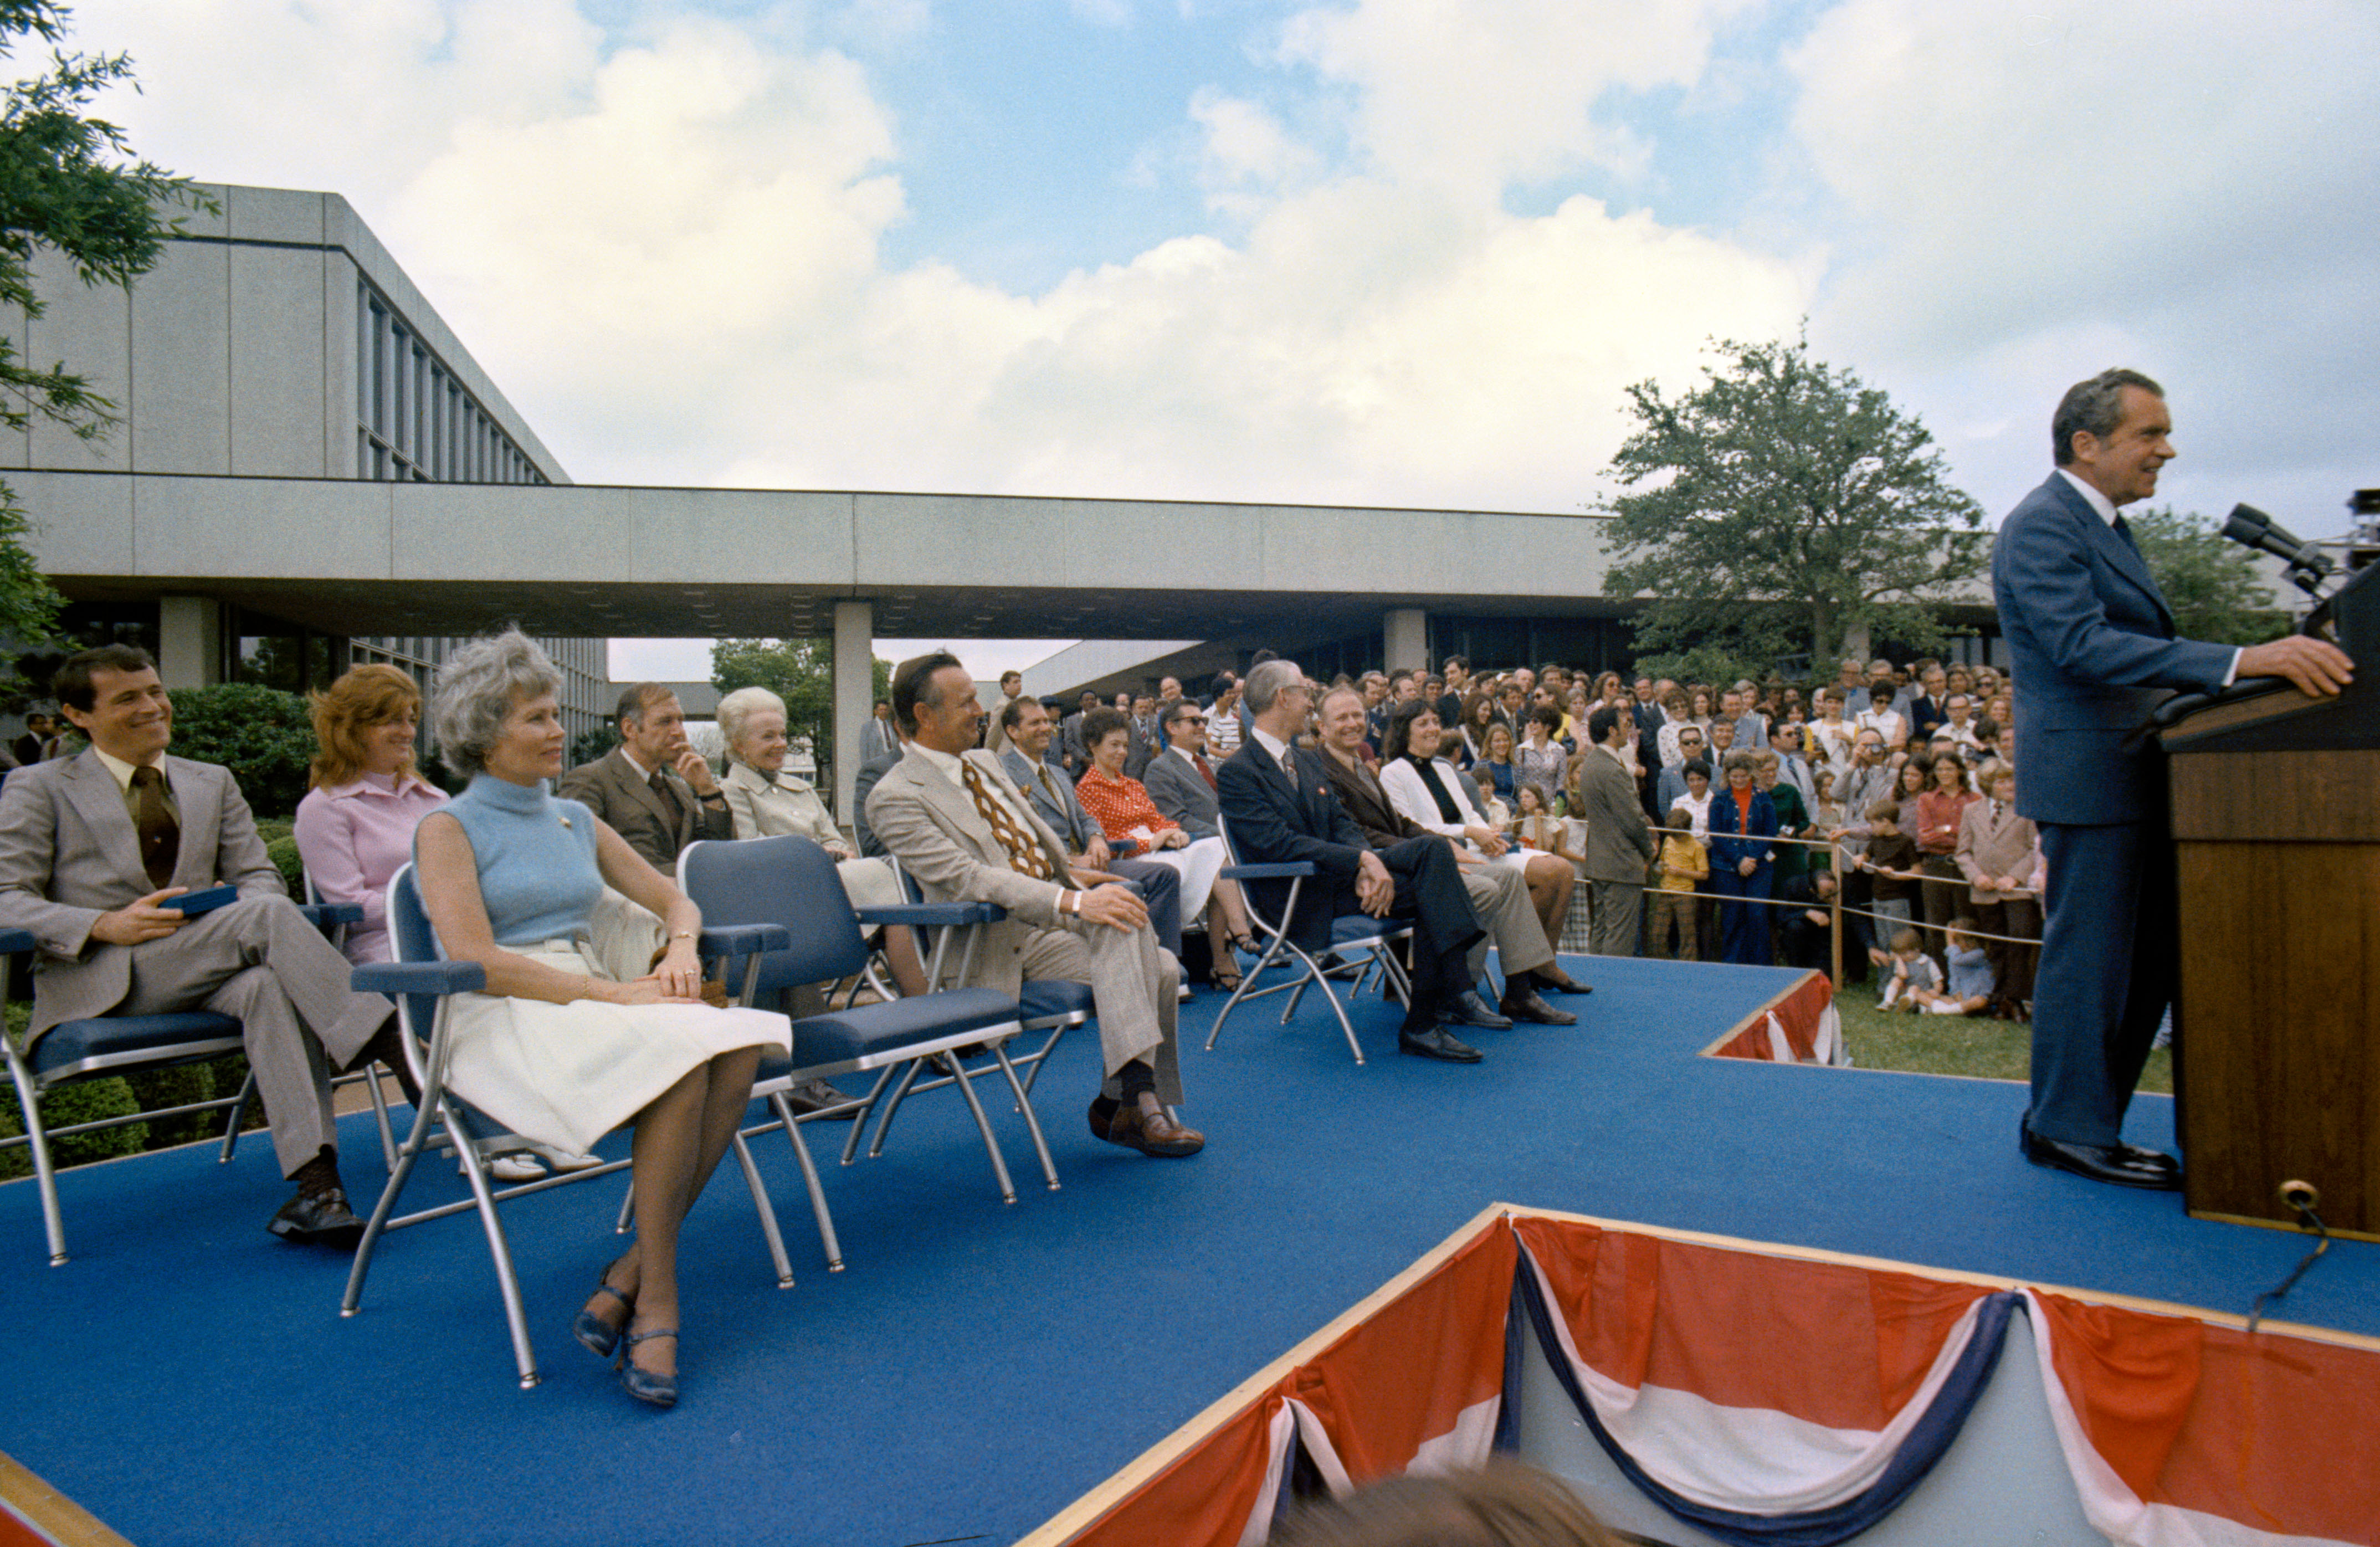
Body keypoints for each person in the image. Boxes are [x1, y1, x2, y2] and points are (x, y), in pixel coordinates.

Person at [1992, 367, 2350, 1188]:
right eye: (2150, 434)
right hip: (2092, 776)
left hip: (2137, 771)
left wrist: (2253, 674)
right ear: (2088, 444)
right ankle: (2064, 1127)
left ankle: (2093, 1123)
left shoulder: (2106, 527)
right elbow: (2082, 646)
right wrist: (2242, 662)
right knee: (2094, 960)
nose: (2168, 449)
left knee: (2139, 961)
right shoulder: (2044, 525)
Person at [414, 632, 789, 1407]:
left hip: (588, 997)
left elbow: (675, 897)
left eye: (555, 714)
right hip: (502, 1014)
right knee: (678, 1064)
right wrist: (620, 996)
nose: (558, 731)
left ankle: (630, 1273)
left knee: (739, 1043)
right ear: (486, 734)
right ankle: (658, 1297)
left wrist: (680, 948)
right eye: (538, 719)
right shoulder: (447, 828)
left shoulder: (572, 821)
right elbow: (476, 957)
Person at [0, 644, 398, 1247]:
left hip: (208, 963)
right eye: (127, 698)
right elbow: (7, 896)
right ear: (77, 715)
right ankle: (393, 1047)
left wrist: (224, 910)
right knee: (263, 916)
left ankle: (317, 1188)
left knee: (265, 980)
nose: (152, 706)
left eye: (155, 691)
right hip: (107, 975)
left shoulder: (211, 781)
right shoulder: (39, 786)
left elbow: (260, 876)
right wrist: (105, 924)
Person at [866, 653, 1202, 1158]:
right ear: (925, 715)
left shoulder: (982, 763)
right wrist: (1074, 901)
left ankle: (1128, 1103)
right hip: (993, 942)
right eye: (967, 702)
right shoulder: (892, 797)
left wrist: (1073, 878)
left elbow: (1034, 839)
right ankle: (1131, 1103)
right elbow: (969, 877)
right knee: (1141, 944)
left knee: (1156, 955)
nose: (981, 710)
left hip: (1050, 925)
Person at [1215, 660, 1500, 1063]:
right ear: (1284, 698)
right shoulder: (1237, 772)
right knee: (1429, 887)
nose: (1309, 701)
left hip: (1338, 881)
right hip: (1299, 895)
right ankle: (1446, 1000)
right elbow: (1279, 845)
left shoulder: (1306, 759)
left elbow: (1342, 822)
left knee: (1433, 851)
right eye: (1304, 692)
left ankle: (1435, 1010)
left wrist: (1366, 864)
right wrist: (1362, 860)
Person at [1312, 690, 1584, 1023]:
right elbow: (1357, 835)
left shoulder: (1366, 768)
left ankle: (1520, 992)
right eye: (1342, 718)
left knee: (1511, 879)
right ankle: (1458, 989)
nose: (1353, 723)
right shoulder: (1325, 772)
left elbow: (1405, 824)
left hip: (1424, 854)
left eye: (1357, 716)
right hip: (1380, 870)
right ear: (1321, 728)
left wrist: (1450, 844)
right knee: (1487, 887)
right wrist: (1438, 848)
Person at [715, 684, 930, 1047]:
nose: (781, 743)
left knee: (895, 902)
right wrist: (822, 855)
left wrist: (831, 852)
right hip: (788, 897)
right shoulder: (732, 792)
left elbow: (835, 841)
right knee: (890, 885)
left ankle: (926, 1024)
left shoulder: (802, 788)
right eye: (768, 737)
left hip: (836, 885)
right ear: (738, 745)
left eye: (783, 734)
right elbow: (750, 854)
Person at [1378, 701, 1578, 960]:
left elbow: (1471, 813)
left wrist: (1489, 837)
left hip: (1478, 848)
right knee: (1548, 873)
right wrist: (1471, 832)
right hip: (1445, 855)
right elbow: (1411, 828)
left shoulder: (1443, 768)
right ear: (1405, 731)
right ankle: (1529, 964)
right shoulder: (1392, 772)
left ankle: (1543, 963)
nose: (1433, 728)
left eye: (1436, 722)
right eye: (1423, 723)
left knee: (1563, 870)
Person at [1074, 706, 1254, 991]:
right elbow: (1102, 840)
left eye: (1125, 745)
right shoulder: (1086, 790)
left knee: (1215, 848)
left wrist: (1172, 831)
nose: (1122, 752)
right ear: (1093, 746)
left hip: (1159, 849)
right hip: (1132, 855)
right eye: (1114, 746)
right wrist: (1151, 841)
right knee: (1202, 863)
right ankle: (1226, 943)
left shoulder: (1133, 784)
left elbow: (1156, 818)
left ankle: (1236, 932)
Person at [993, 697, 1186, 960]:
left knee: (1165, 875)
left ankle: (1168, 965)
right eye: (1035, 723)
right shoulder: (1002, 773)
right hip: (1053, 868)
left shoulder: (1057, 772)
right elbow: (1019, 834)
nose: (1046, 728)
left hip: (1090, 860)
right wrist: (1070, 860)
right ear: (1013, 731)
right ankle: (1151, 962)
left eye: (1048, 723)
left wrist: (1096, 838)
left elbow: (1084, 819)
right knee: (1147, 879)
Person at [293, 664, 448, 968]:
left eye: (411, 720)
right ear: (352, 729)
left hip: (458, 934)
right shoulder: (325, 808)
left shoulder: (435, 799)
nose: (408, 732)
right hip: (387, 947)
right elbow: (351, 909)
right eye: (392, 721)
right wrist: (444, 903)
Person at [558, 684, 733, 875]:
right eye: (665, 722)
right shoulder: (590, 780)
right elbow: (578, 858)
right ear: (629, 729)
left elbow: (719, 852)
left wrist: (707, 790)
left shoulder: (678, 789)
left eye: (680, 721)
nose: (678, 731)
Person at [1956, 761, 2039, 1020]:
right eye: (2002, 781)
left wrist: (2015, 877)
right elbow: (1963, 852)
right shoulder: (1972, 810)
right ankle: (2000, 998)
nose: (2009, 785)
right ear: (1988, 785)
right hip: (1985, 890)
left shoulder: (2026, 809)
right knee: (1996, 944)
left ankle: (2016, 998)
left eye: (2012, 779)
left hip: (2016, 890)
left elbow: (2034, 849)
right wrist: (1976, 876)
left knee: (2019, 939)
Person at [1706, 751, 1778, 966]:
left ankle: (1761, 966)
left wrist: (1752, 858)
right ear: (1728, 776)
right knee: (1732, 915)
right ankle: (1732, 965)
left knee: (1757, 914)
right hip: (1726, 865)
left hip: (1759, 865)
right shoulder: (1719, 799)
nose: (1739, 781)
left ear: (1751, 775)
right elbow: (1716, 834)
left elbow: (1770, 831)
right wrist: (1739, 860)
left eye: (1743, 776)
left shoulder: (1763, 798)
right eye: (1734, 777)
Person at [1857, 799, 1920, 975]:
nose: (1871, 828)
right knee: (1883, 942)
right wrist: (1861, 859)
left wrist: (1896, 875)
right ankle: (1885, 983)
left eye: (1873, 824)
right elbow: (1867, 855)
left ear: (1886, 821)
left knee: (1899, 943)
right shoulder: (1877, 839)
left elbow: (1918, 870)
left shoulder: (1905, 841)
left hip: (1897, 899)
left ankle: (1904, 980)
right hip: (1878, 897)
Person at [1648, 805, 1707, 960]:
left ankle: (1688, 965)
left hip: (1685, 894)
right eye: (1672, 834)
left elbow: (1704, 874)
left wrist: (1682, 872)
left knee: (1687, 933)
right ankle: (1662, 962)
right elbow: (1661, 862)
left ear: (1687, 830)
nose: (1674, 837)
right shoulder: (1669, 840)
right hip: (1666, 892)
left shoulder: (1697, 846)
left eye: (1677, 835)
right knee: (1658, 933)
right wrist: (1659, 868)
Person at [1877, 928, 1944, 1012]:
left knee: (1914, 988)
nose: (1902, 956)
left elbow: (1938, 982)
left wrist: (1936, 991)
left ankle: (1911, 1005)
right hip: (1904, 993)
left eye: (1904, 953)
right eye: (1899, 954)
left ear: (1917, 949)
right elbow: (1903, 975)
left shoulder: (1928, 962)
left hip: (1922, 993)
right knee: (1896, 979)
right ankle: (1888, 1002)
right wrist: (1898, 959)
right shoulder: (1902, 962)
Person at [982, 670, 1024, 758]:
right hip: (1007, 756)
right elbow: (994, 734)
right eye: (1015, 682)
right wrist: (988, 758)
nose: (1020, 684)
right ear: (1005, 685)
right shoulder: (1003, 706)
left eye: (1020, 682)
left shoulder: (1017, 705)